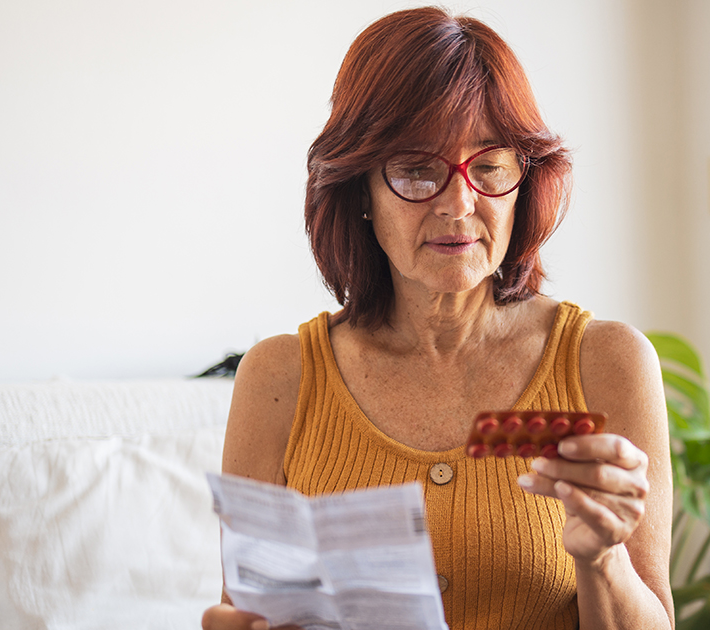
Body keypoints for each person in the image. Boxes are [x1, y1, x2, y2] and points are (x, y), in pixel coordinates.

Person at [201, 7, 673, 630]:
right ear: (359, 190)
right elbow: (248, 611)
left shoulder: (607, 362)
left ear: (523, 181)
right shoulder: (278, 378)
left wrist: (604, 558)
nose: (459, 203)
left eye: (490, 166)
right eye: (417, 169)